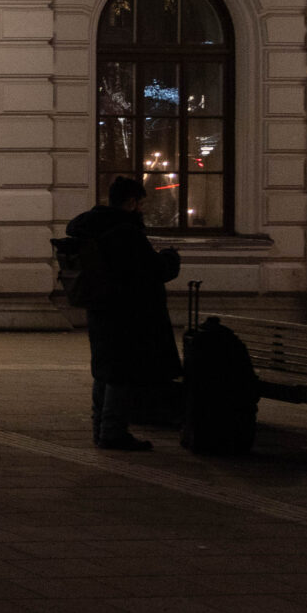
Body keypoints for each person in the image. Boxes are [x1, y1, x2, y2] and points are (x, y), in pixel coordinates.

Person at [64, 174, 181, 451]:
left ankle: (101, 429)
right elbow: (153, 270)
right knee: (121, 373)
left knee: (104, 371)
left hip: (101, 309)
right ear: (130, 202)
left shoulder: (92, 227)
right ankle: (113, 432)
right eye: (140, 203)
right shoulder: (125, 232)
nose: (142, 209)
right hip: (128, 313)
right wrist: (170, 257)